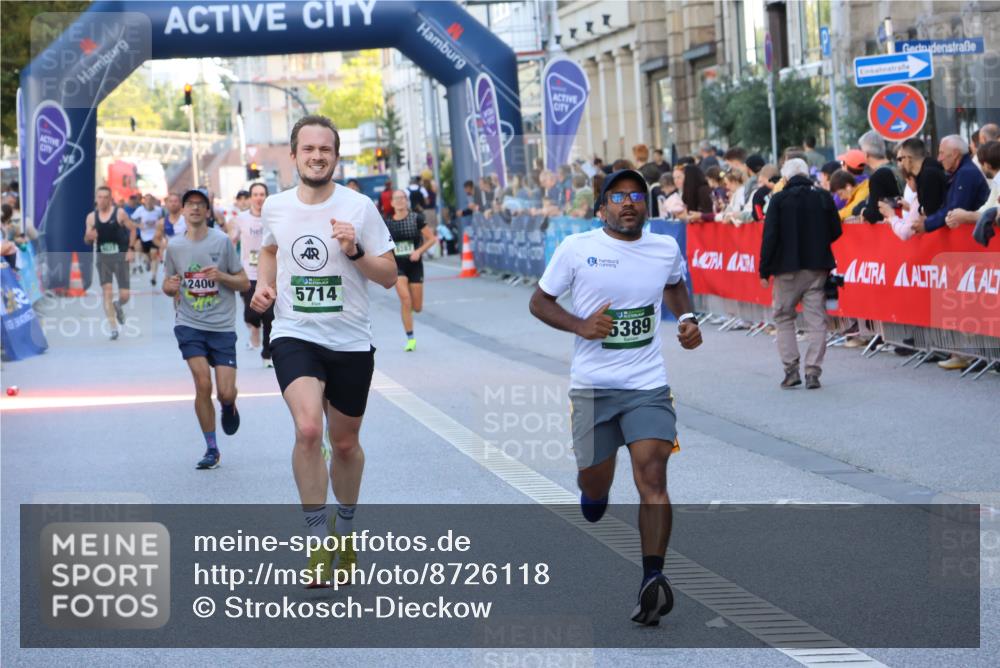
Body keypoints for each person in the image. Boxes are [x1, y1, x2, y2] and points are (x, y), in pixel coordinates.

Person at [529, 168, 702, 626]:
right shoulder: (578, 249)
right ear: (601, 206)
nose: (629, 203)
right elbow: (539, 302)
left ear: (647, 205)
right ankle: (593, 493)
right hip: (592, 389)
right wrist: (580, 325)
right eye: (618, 196)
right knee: (594, 486)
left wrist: (688, 320)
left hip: (647, 385)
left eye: (637, 196)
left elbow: (674, 284)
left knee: (653, 473)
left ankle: (652, 577)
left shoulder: (664, 247)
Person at [250, 115, 397, 586]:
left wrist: (354, 251)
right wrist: (264, 286)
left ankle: (346, 533)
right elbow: (269, 250)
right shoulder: (274, 206)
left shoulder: (360, 208)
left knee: (347, 443)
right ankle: (317, 544)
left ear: (336, 156)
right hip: (295, 333)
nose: (317, 156)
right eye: (308, 149)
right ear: (293, 156)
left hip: (351, 340)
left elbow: (390, 275)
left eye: (325, 149)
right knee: (310, 430)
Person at [162, 188, 249, 469]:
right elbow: (167, 284)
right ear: (183, 211)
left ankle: (228, 405)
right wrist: (170, 287)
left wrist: (221, 275)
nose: (196, 209)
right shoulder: (174, 246)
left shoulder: (222, 242)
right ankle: (212, 448)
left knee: (225, 391)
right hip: (190, 324)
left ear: (208, 212)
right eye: (191, 205)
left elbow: (244, 283)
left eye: (201, 205)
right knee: (202, 383)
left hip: (221, 326)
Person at [760, 159, 842, 390]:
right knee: (817, 321)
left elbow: (770, 237)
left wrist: (764, 269)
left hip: (786, 270)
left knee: (784, 317)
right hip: (817, 268)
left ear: (785, 178)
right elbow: (836, 229)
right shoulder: (822, 196)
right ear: (807, 174)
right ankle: (813, 371)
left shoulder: (779, 200)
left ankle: (791, 370)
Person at [385, 190, 438, 351]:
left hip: (415, 265)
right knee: (405, 300)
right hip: (397, 266)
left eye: (402, 198)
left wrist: (418, 252)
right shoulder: (387, 223)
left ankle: (410, 311)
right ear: (392, 203)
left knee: (417, 307)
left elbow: (432, 239)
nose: (400, 201)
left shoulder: (416, 219)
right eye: (396, 199)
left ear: (406, 201)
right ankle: (410, 339)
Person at [230, 182, 275, 367]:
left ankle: (267, 354)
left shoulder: (273, 218)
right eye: (255, 194)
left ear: (267, 196)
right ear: (250, 198)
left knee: (270, 315)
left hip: (270, 273)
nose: (259, 198)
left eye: (262, 194)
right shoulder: (240, 218)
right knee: (251, 314)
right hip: (248, 272)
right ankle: (254, 327)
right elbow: (231, 239)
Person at [84, 186, 134, 340]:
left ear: (110, 199)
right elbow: (86, 240)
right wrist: (89, 237)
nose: (103, 200)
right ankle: (113, 328)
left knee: (125, 295)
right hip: (103, 258)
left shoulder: (119, 213)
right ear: (96, 199)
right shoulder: (91, 217)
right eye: (100, 197)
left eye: (106, 197)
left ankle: (118, 304)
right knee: (107, 291)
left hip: (120, 257)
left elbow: (132, 230)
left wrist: (131, 249)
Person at [917, 135, 990, 234]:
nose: (939, 159)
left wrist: (927, 224)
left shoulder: (966, 173)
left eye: (942, 153)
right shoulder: (961, 172)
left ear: (955, 154)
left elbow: (955, 209)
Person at [857, 131, 902, 223]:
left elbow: (874, 214)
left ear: (866, 154)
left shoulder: (878, 176)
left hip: (892, 229)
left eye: (860, 150)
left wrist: (863, 211)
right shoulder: (898, 167)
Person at [130, 193, 164, 284]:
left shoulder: (159, 210)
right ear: (144, 201)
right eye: (147, 199)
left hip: (155, 236)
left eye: (150, 199)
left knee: (154, 254)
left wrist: (161, 228)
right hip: (144, 236)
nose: (148, 201)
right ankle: (148, 261)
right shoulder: (140, 210)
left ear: (153, 201)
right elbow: (131, 219)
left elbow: (163, 220)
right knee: (145, 254)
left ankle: (153, 277)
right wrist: (138, 225)